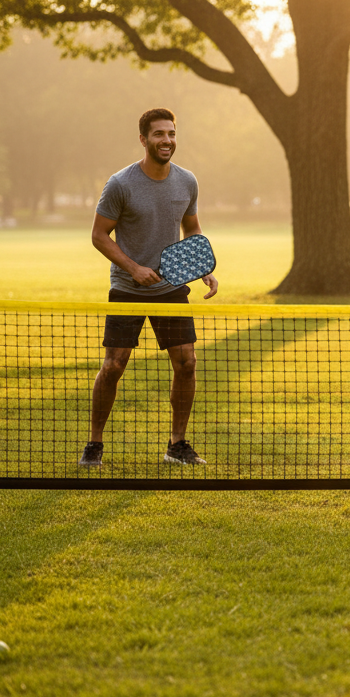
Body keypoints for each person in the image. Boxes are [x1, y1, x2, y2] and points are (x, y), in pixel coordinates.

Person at [77, 108, 219, 468]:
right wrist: (134, 268)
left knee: (187, 363)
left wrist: (202, 266)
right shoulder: (121, 184)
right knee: (114, 366)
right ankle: (94, 445)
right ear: (143, 139)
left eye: (171, 133)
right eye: (159, 134)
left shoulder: (187, 182)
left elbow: (193, 228)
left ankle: (177, 444)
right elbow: (98, 235)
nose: (167, 140)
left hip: (171, 289)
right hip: (127, 288)